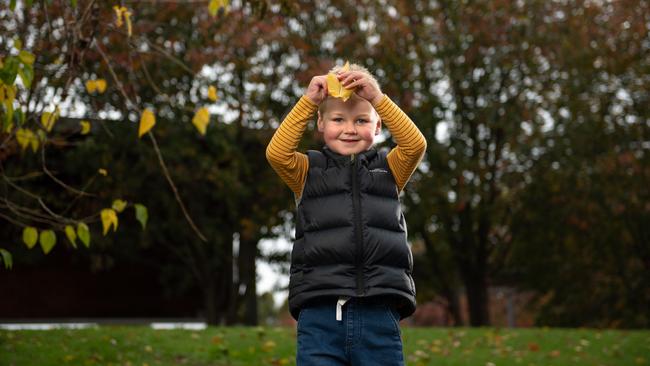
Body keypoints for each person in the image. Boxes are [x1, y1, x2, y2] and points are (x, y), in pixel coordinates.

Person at [266, 62, 427, 365]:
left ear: (377, 126)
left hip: (380, 312)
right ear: (321, 124)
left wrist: (378, 98)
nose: (350, 129)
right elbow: (277, 153)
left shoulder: (389, 169)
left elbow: (415, 144)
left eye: (362, 120)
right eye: (338, 119)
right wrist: (309, 101)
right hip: (320, 313)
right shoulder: (306, 171)